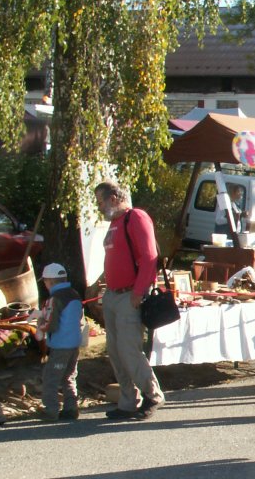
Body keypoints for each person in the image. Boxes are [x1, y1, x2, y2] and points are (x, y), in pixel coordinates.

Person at [95, 180, 165, 420]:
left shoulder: (135, 217)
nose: (99, 207)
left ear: (114, 198)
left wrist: (139, 290)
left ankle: (152, 394)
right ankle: (128, 401)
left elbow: (149, 256)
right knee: (115, 351)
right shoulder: (115, 223)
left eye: (100, 201)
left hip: (128, 296)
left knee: (128, 350)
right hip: (114, 295)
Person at [37, 262, 83, 421]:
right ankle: (71, 408)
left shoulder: (54, 299)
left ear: (49, 282)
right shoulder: (75, 294)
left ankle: (50, 409)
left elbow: (50, 324)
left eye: (44, 282)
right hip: (74, 344)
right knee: (69, 376)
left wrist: (39, 323)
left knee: (51, 376)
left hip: (60, 346)